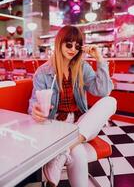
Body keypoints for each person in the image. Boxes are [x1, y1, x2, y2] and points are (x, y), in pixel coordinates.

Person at [28, 25, 117, 187]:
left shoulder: (82, 67)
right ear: (59, 43)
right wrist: (36, 111)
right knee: (79, 153)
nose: (73, 49)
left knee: (111, 102)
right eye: (68, 44)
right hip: (55, 126)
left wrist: (100, 60)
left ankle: (62, 150)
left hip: (80, 125)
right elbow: (34, 105)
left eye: (77, 46)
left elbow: (103, 91)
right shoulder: (43, 72)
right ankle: (68, 147)